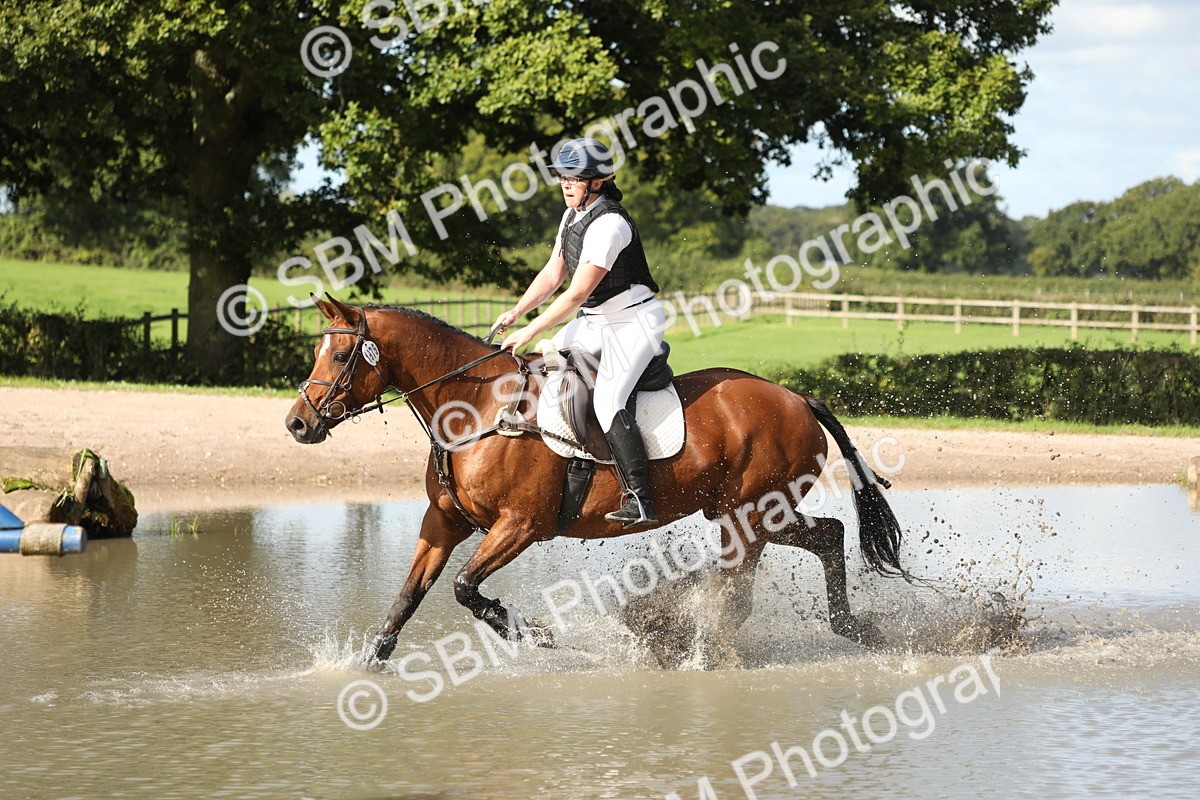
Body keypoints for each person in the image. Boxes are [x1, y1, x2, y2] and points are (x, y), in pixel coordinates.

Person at [496, 137, 665, 527]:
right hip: (595, 322)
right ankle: (570, 463)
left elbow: (576, 293)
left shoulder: (610, 225)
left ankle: (641, 498)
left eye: (575, 178)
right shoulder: (572, 215)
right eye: (562, 177)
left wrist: (531, 326)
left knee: (608, 400)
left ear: (597, 182)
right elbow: (554, 274)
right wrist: (518, 310)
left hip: (632, 324)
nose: (566, 184)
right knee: (541, 361)